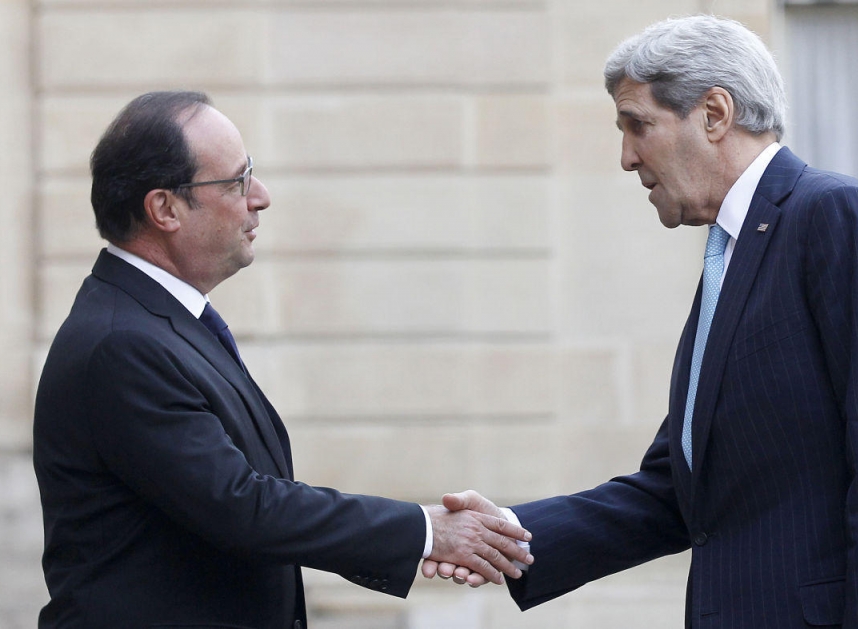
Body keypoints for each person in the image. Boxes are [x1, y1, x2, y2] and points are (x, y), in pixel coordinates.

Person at [423, 14, 858, 628]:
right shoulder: (733, 253)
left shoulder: (833, 215)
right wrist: (510, 535)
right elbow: (676, 491)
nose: (627, 157)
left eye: (638, 126)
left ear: (714, 114)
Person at [32, 90, 532, 629]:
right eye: (237, 181)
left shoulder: (156, 322)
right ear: (164, 209)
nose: (261, 197)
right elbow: (242, 507)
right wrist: (426, 531)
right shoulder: (121, 342)